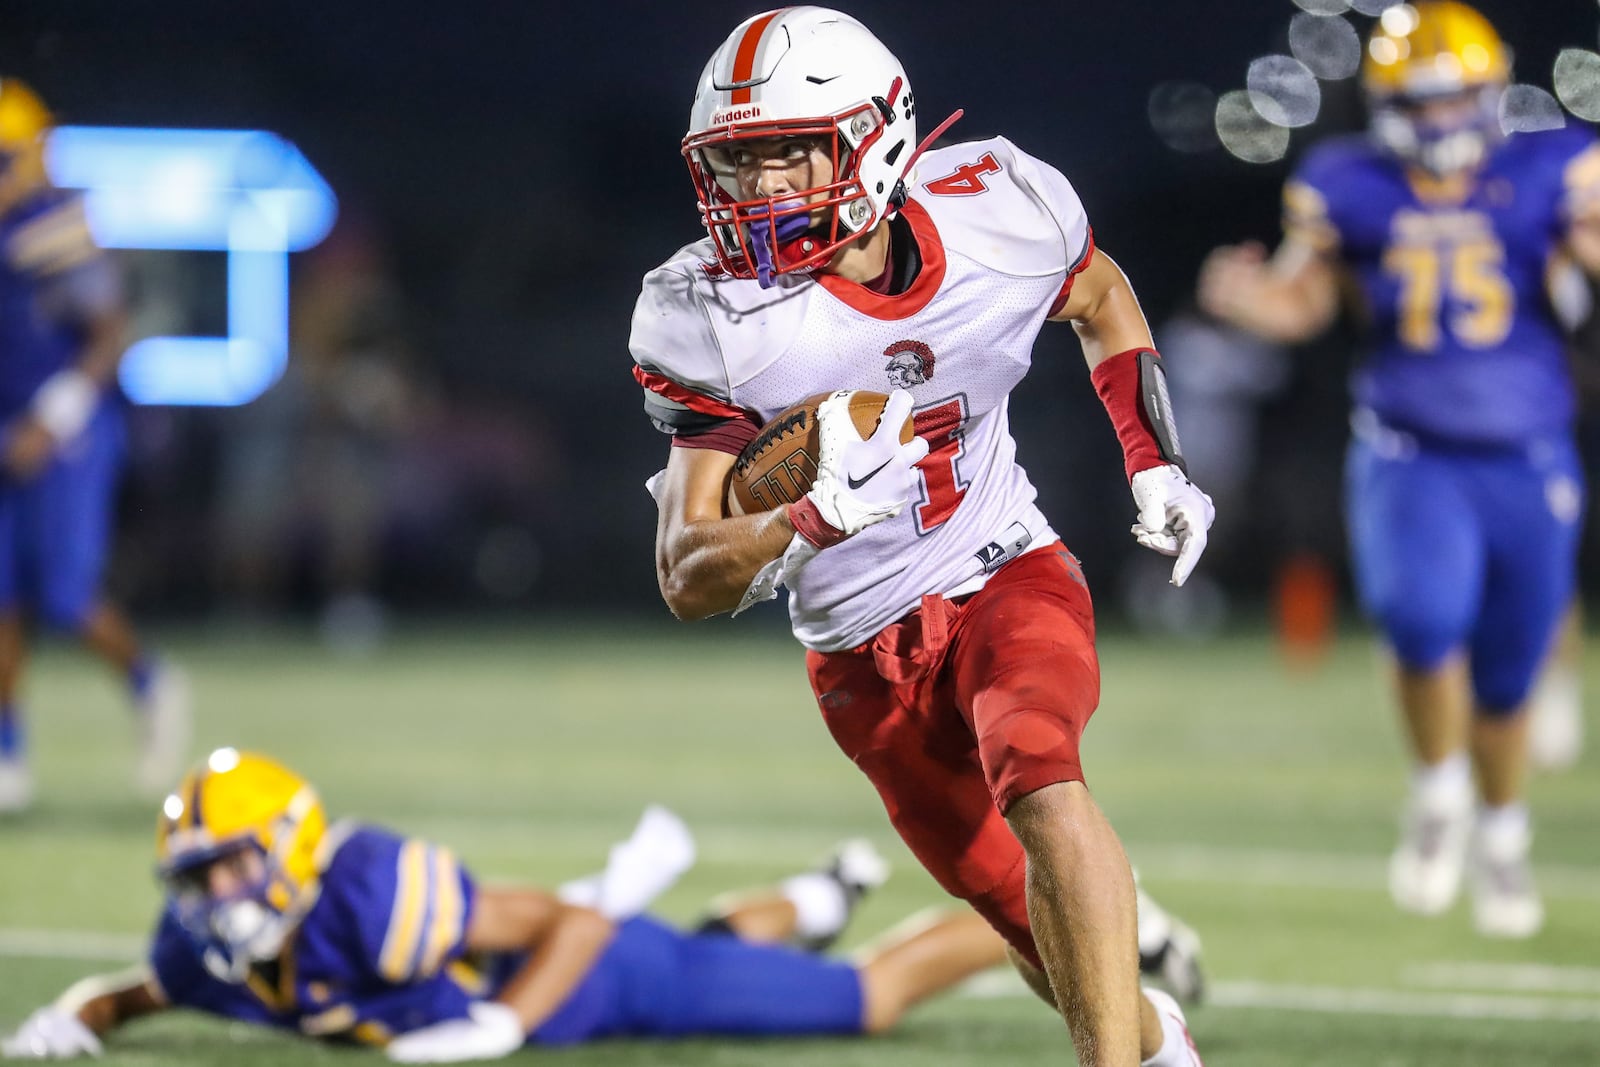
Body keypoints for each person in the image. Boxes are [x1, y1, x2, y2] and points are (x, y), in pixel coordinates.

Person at [636, 9, 1213, 1065]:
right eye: (738, 162)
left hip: (1001, 565)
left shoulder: (1002, 207)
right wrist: (800, 518)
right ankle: (1157, 1038)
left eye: (787, 154)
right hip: (859, 649)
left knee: (1038, 769)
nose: (758, 189)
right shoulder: (708, 310)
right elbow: (687, 574)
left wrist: (1154, 458)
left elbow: (1099, 294)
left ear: (877, 138)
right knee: (1017, 910)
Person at [1197, 2, 1599, 939]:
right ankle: (1438, 791)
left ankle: (1502, 838)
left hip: (1529, 453)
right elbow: (1301, 302)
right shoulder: (1348, 181)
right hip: (1410, 450)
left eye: (1454, 98)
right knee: (1421, 623)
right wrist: (1247, 301)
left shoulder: (1551, 166)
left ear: (1489, 92)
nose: (1438, 120)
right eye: (1420, 102)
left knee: (1508, 680)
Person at [2, 747, 1152, 1061]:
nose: (214, 896)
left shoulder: (370, 896)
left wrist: (501, 1025)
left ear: (293, 847)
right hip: (591, 966)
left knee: (868, 1000)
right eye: (197, 877)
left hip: (597, 981)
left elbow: (576, 924)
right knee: (697, 939)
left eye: (228, 867)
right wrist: (78, 1017)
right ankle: (815, 893)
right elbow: (143, 990)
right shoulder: (207, 951)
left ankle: (1105, 921)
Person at [0, 78, 190, 812]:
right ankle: (9, 752)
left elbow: (109, 331)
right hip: (8, 429)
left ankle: (150, 682)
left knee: (66, 594)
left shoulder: (55, 221)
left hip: (68, 430)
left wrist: (55, 413)